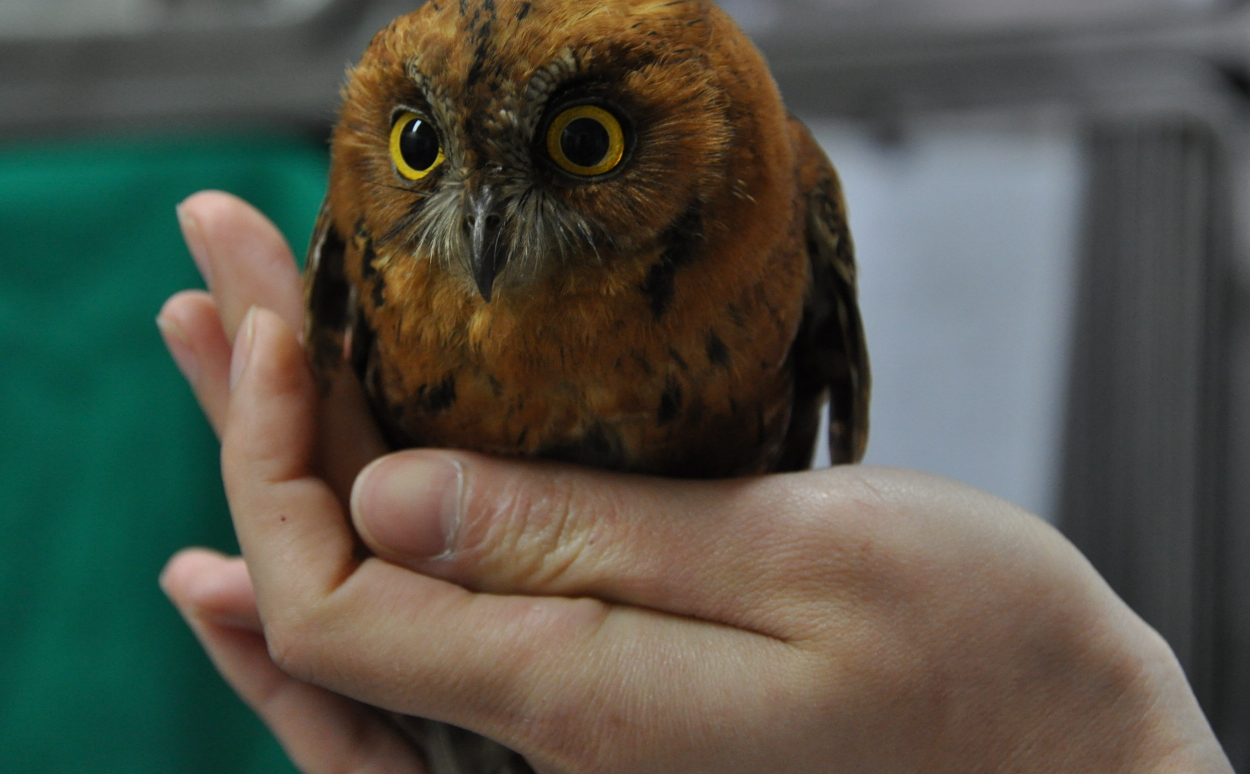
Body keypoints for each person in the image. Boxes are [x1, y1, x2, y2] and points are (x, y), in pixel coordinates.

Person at [154, 190, 1231, 774]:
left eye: (585, 145)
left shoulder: (777, 196)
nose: (480, 222)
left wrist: (1094, 742)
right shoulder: (379, 241)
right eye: (420, 148)